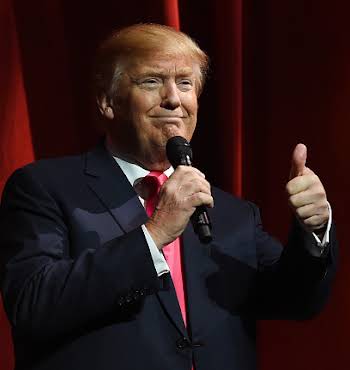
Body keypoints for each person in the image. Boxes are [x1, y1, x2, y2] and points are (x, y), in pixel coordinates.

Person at [0, 23, 336, 370]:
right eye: (152, 81)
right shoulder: (45, 188)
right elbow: (32, 305)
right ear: (107, 102)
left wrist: (314, 228)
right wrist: (155, 234)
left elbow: (297, 301)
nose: (174, 98)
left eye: (185, 83)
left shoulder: (232, 214)